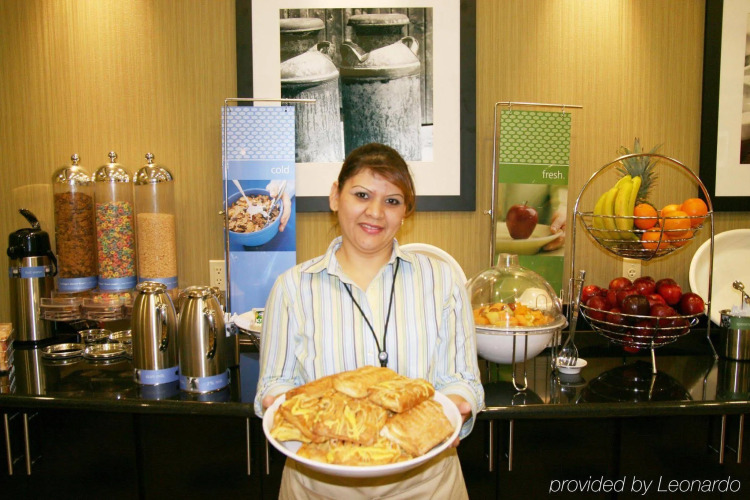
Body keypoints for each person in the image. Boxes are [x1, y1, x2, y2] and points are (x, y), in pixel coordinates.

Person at [254, 142, 485, 499]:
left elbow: (462, 378)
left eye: (392, 201)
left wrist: (455, 408)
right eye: (362, 195)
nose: (375, 212)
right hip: (321, 486)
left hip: (427, 485)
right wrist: (282, 404)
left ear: (406, 212)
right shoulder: (293, 288)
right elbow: (276, 381)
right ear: (335, 196)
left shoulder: (441, 281)